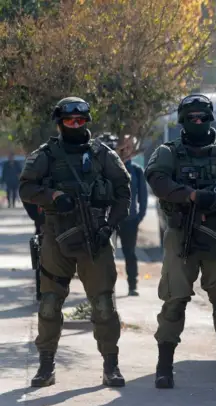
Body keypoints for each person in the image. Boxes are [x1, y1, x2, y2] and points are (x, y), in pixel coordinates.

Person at [19, 97, 131, 388]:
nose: (76, 125)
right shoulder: (46, 155)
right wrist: (54, 198)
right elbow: (26, 187)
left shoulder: (102, 154)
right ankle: (46, 366)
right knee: (49, 303)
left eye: (81, 121)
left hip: (96, 235)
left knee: (104, 304)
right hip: (57, 236)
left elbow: (123, 190)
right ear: (60, 122)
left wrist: (110, 225)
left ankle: (111, 365)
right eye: (70, 121)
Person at [144, 94, 216, 389]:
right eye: (191, 118)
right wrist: (189, 195)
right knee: (174, 301)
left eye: (202, 117)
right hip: (181, 235)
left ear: (209, 119)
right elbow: (156, 179)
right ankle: (164, 367)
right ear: (182, 120)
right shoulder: (169, 151)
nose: (197, 122)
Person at [100, 133, 148, 296]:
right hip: (109, 219)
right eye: (123, 146)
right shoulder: (107, 168)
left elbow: (143, 196)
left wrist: (139, 216)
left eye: (129, 147)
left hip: (129, 219)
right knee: (106, 254)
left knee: (130, 253)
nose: (126, 150)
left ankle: (132, 284)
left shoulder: (136, 171)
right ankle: (106, 287)